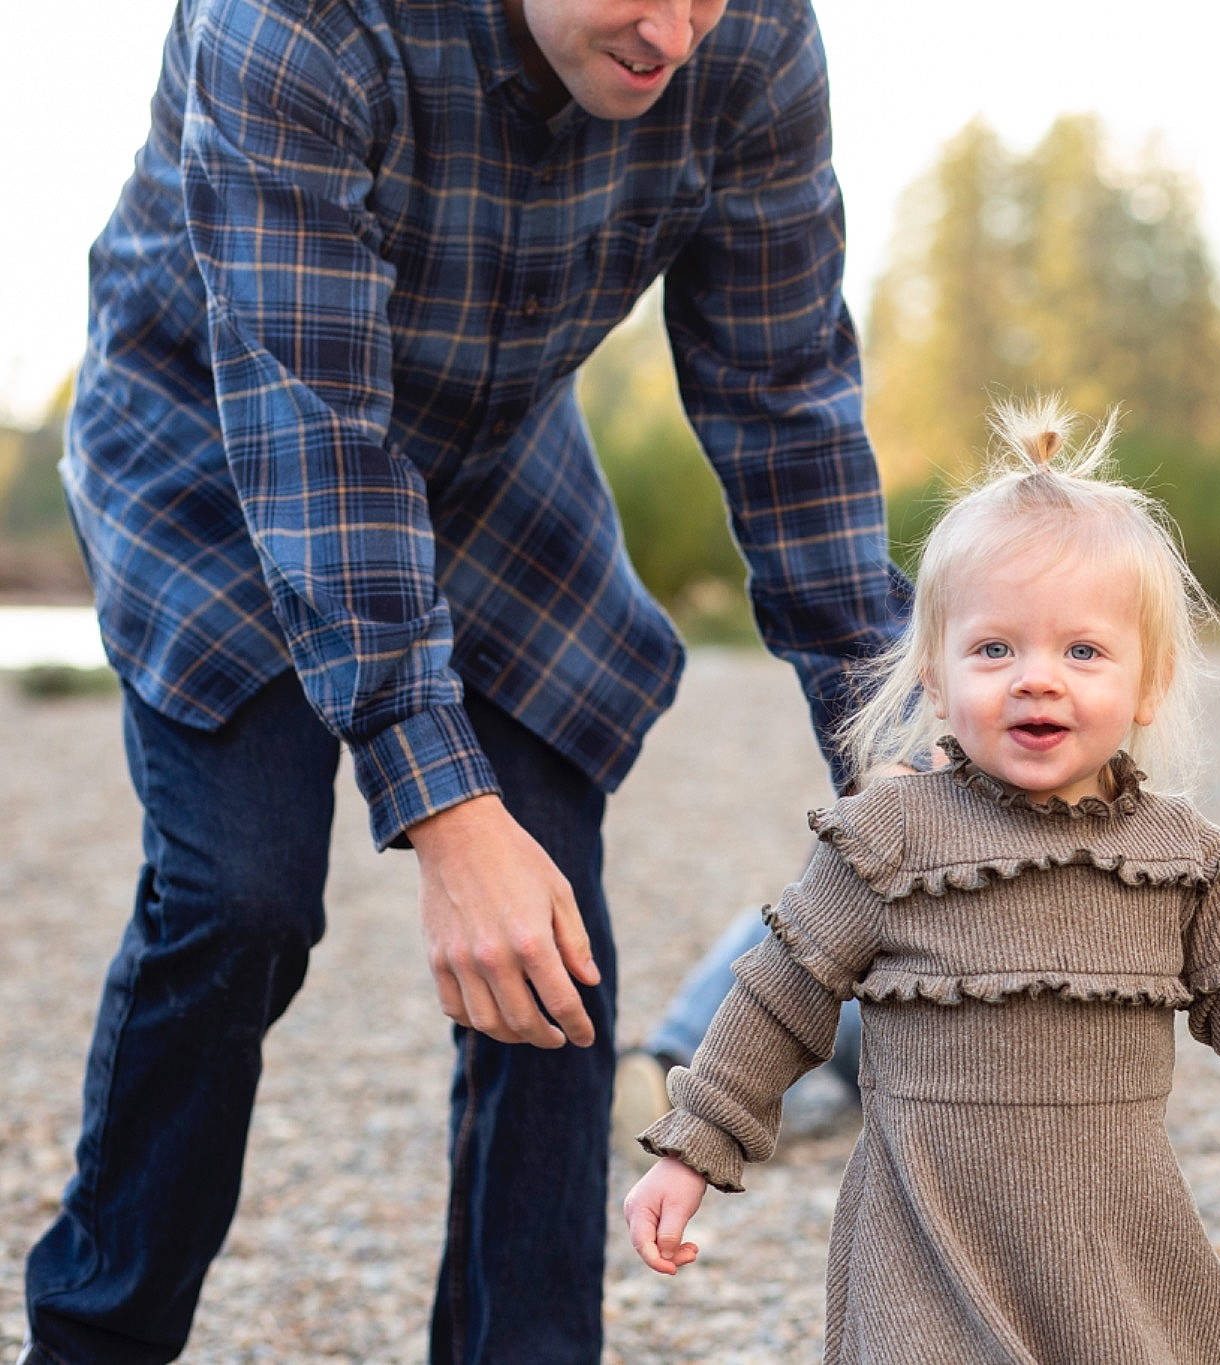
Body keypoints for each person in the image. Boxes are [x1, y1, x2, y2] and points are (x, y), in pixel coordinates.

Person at [22, 0, 906, 1360]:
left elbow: (783, 396)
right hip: (220, 434)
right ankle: (99, 1336)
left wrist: (898, 762)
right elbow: (318, 439)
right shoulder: (294, 25)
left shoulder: (759, 41)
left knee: (552, 941)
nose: (676, 31)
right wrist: (443, 811)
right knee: (241, 897)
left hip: (492, 453)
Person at [621, 399, 1220, 1362]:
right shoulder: (887, 836)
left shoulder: (1176, 858)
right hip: (925, 1249)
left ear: (1149, 682)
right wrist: (693, 1145)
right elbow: (778, 1001)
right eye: (994, 648)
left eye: (1084, 650)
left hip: (1114, 1252)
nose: (1037, 678)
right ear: (934, 675)